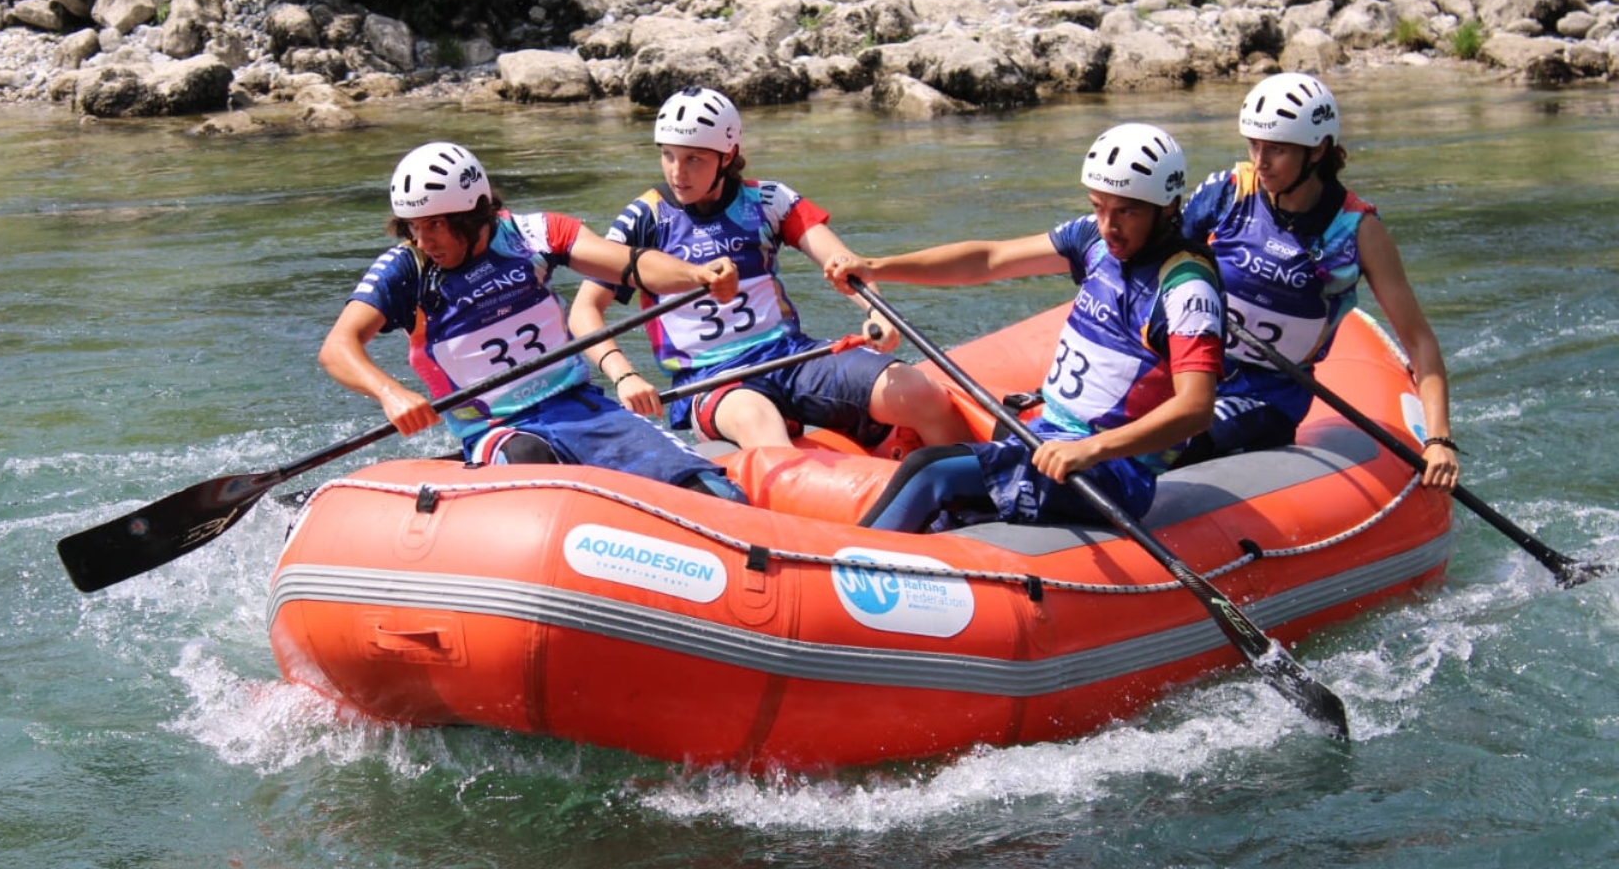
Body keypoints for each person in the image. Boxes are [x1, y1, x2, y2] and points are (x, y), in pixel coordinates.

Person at [821, 124, 1225, 533]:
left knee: (930, 470)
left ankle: (842, 561)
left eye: (1127, 212)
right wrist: (876, 267)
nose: (1108, 225)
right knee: (944, 521)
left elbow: (1195, 409)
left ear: (1167, 207)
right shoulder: (1092, 240)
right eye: (1099, 206)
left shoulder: (1186, 288)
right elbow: (989, 260)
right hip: (1046, 436)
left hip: (1109, 470)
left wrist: (1090, 449)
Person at [319, 141, 748, 501]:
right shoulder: (406, 269)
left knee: (710, 492)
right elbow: (338, 347)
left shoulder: (532, 235)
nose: (423, 239)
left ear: (474, 215)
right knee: (530, 463)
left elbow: (630, 264)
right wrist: (390, 393)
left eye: (435, 225)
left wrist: (696, 275)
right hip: (499, 429)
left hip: (579, 408)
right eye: (413, 226)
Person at [568, 86, 967, 455]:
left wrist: (877, 312)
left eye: (693, 159)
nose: (677, 172)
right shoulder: (644, 219)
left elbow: (844, 263)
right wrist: (623, 375)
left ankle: (976, 490)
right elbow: (585, 310)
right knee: (759, 421)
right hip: (709, 379)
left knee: (921, 393)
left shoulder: (769, 200)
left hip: (789, 356)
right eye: (668, 155)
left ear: (727, 156)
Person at [1175, 72, 1459, 491]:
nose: (1260, 161)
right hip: (1192, 370)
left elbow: (1419, 342)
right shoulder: (1230, 191)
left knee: (1174, 437)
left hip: (1266, 397)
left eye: (1277, 149)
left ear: (1317, 150)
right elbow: (1155, 269)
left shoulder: (1358, 231)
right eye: (1254, 145)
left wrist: (1438, 440)